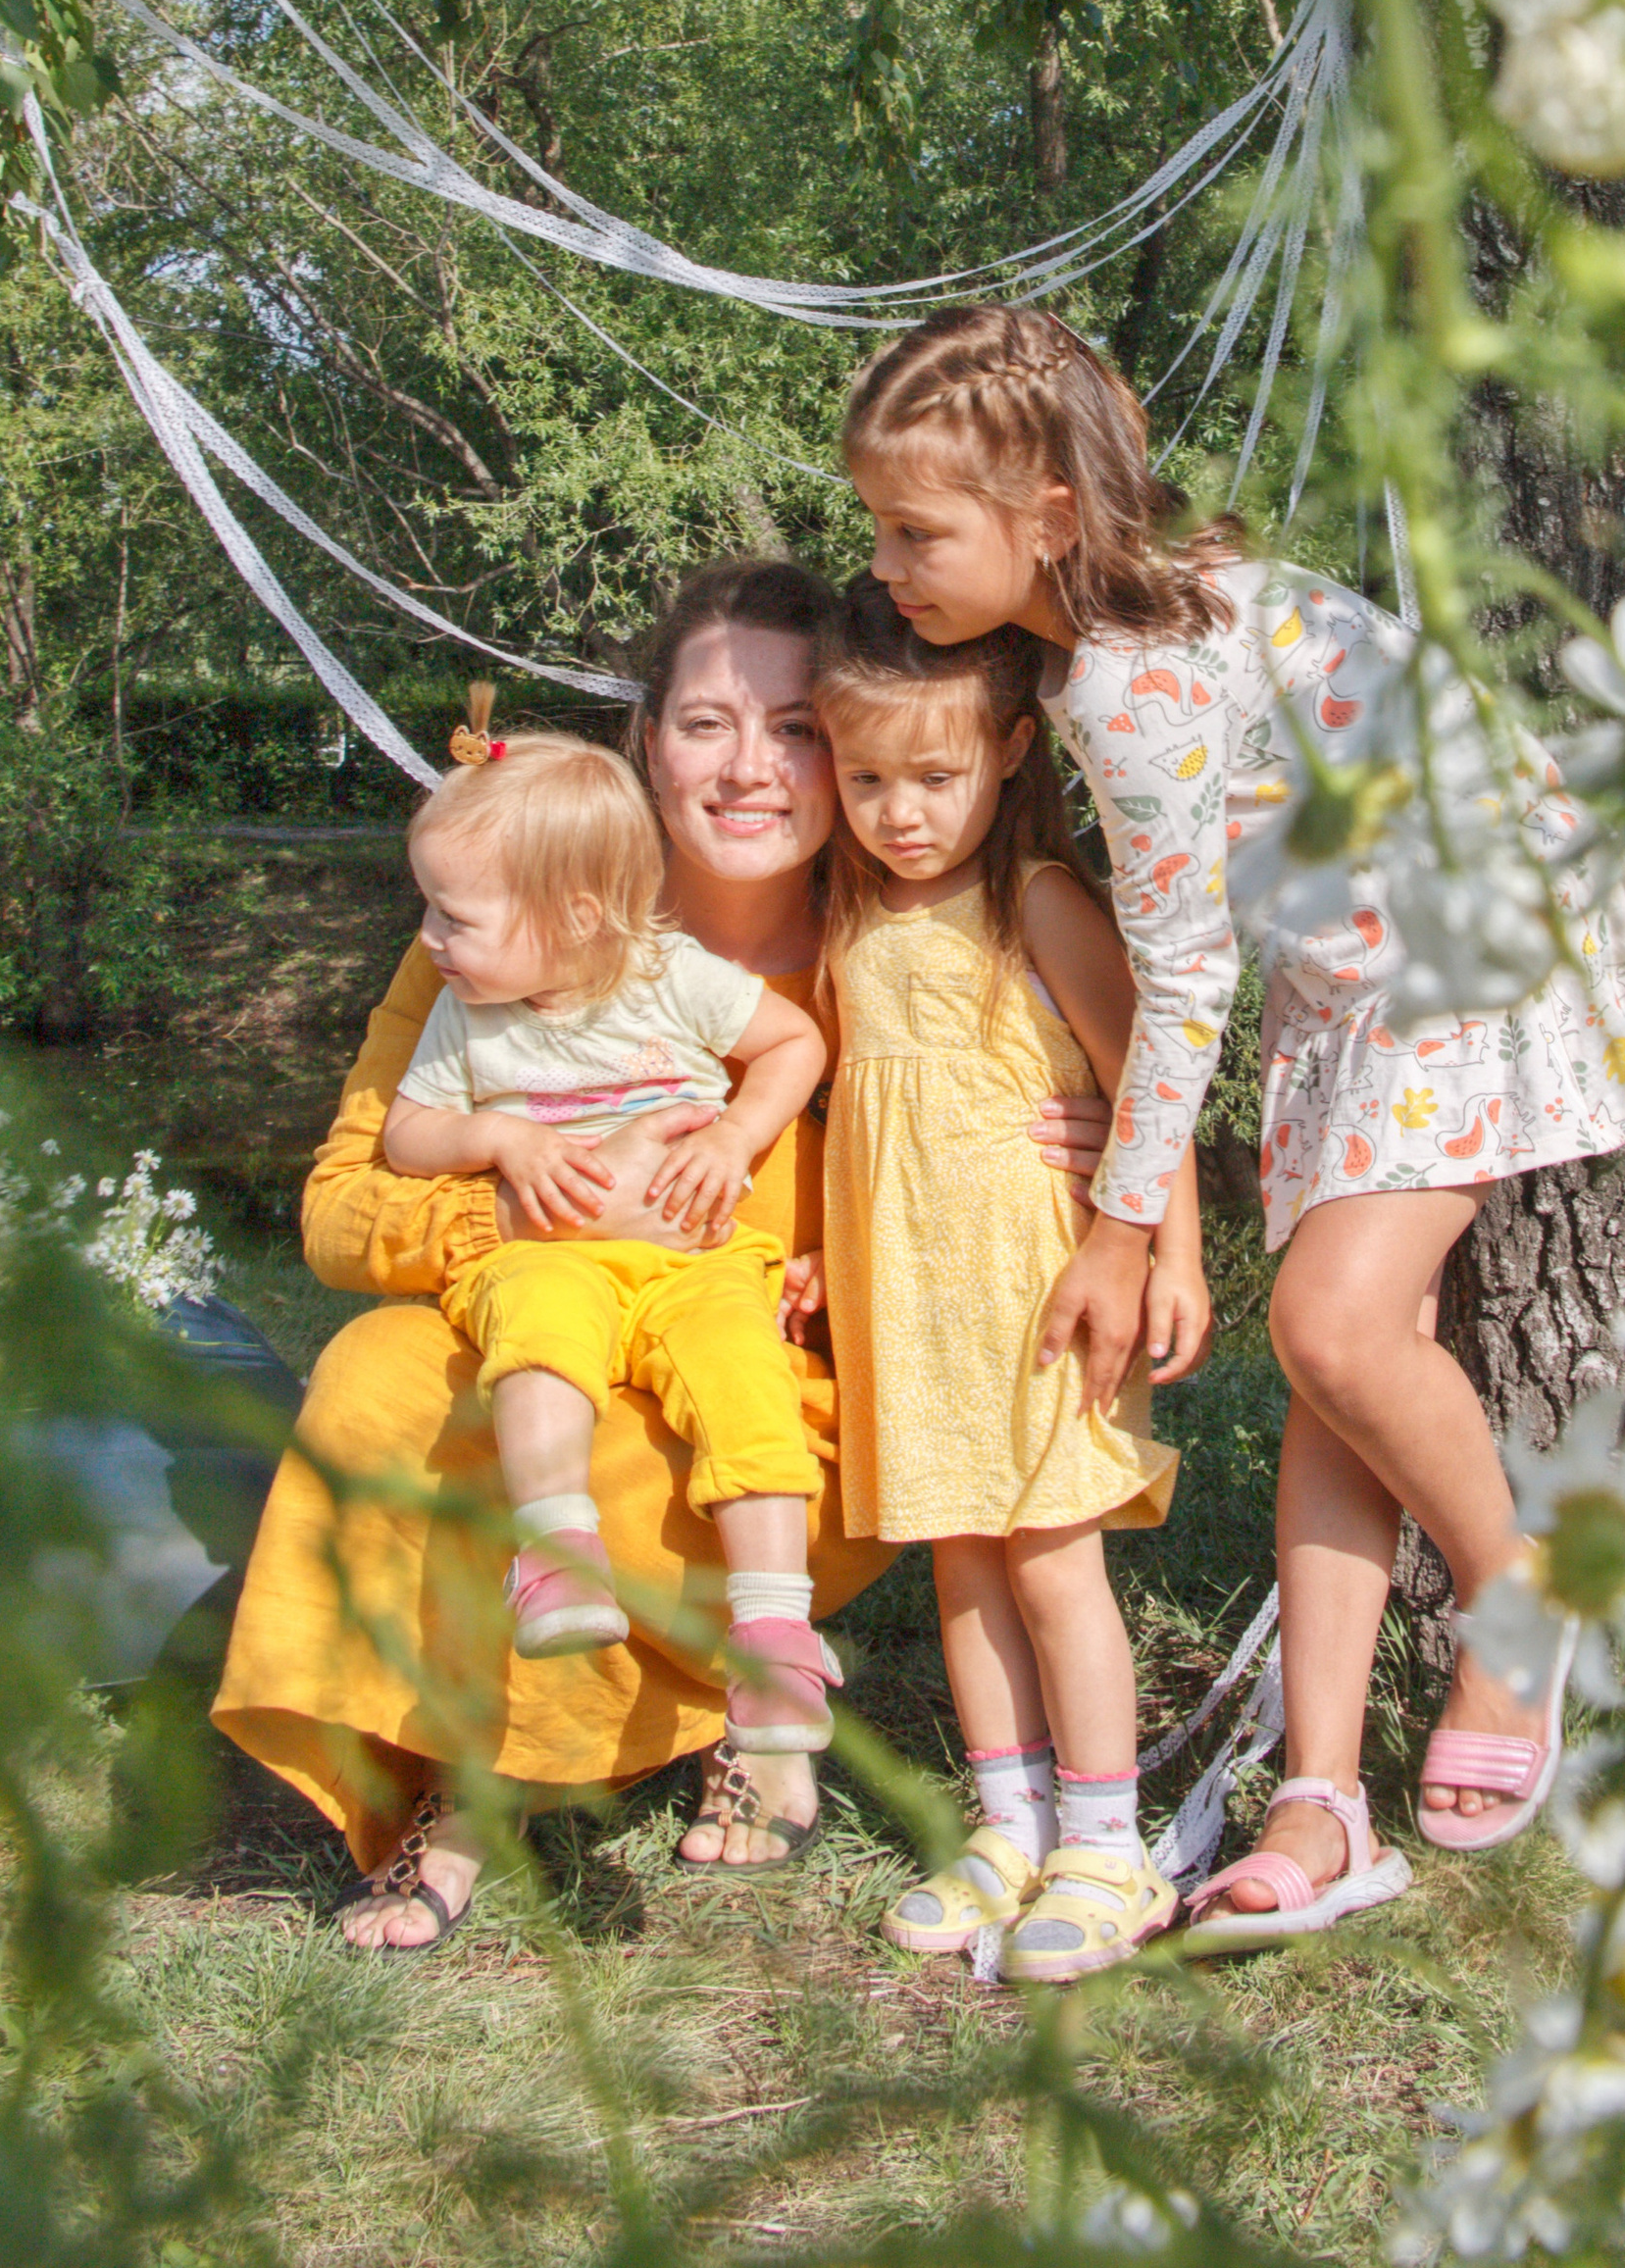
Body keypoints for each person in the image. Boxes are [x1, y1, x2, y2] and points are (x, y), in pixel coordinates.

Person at [841, 306, 1625, 1940]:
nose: (884, 560)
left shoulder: (1128, 674)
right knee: (1336, 1372)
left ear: (1042, 518)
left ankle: (1516, 1602)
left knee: (1329, 1322)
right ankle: (1325, 1800)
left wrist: (1120, 1218)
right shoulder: (1121, 615)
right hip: (1359, 982)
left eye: (913, 528)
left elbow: (1180, 975)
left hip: (1463, 949)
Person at [212, 557, 1110, 1942]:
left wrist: (1090, 1146)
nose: (751, 768)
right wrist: (524, 1202)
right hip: (545, 1319)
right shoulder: (503, 935)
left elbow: (1053, 1109)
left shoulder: (898, 953)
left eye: (798, 729)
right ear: (649, 743)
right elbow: (341, 1207)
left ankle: (708, 1716)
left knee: (666, 1437)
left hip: (770, 1367)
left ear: (852, 745)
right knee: (378, 1379)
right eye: (707, 723)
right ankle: (461, 1770)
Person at [808, 583, 1210, 1983]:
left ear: (1009, 755)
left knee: (1050, 1555)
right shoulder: (847, 912)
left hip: (1036, 1291)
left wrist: (1174, 1252)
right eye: (867, 779)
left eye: (935, 777)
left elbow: (1150, 1076)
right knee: (961, 1557)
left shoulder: (1034, 900)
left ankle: (1109, 1845)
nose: (900, 811)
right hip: (906, 1300)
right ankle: (1007, 1819)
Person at [380, 725, 836, 1751]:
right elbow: (404, 1137)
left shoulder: (671, 975)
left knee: (743, 1378)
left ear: (577, 916)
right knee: (535, 1333)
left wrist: (733, 1137)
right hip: (549, 1254)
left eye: (454, 916)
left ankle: (775, 1634)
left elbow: (793, 1043)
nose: (428, 939)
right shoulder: (466, 1016)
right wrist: (497, 1135)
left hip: (694, 1260)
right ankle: (556, 1552)